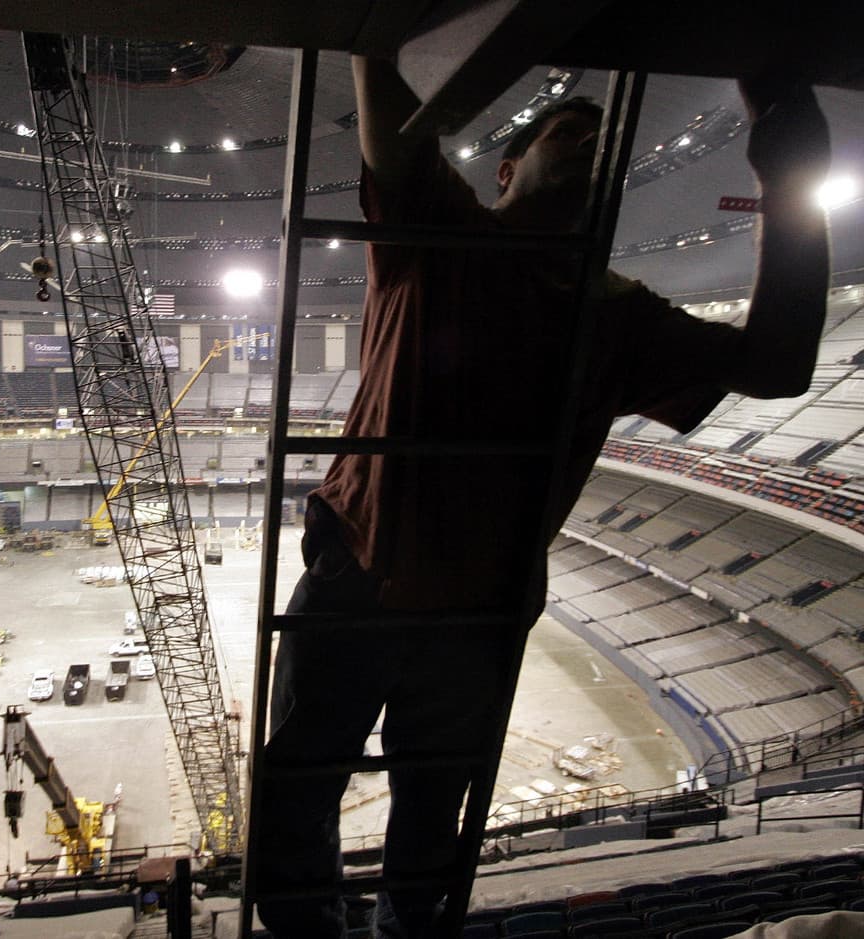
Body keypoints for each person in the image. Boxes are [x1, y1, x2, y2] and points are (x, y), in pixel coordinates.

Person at [253, 54, 830, 939]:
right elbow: (394, 127)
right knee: (300, 800)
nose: (594, 139)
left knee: (424, 822)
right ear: (506, 171)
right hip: (364, 575)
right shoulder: (442, 230)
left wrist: (789, 173)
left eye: (604, 136)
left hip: (467, 608)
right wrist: (373, 38)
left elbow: (782, 363)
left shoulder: (621, 313)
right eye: (568, 129)